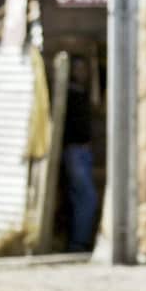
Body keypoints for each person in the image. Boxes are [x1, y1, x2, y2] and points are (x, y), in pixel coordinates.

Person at [62, 56, 100, 254]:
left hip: (83, 151)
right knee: (87, 198)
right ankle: (78, 243)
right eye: (77, 69)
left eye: (84, 69)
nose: (81, 73)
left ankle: (78, 241)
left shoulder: (83, 93)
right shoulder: (69, 94)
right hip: (74, 151)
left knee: (79, 197)